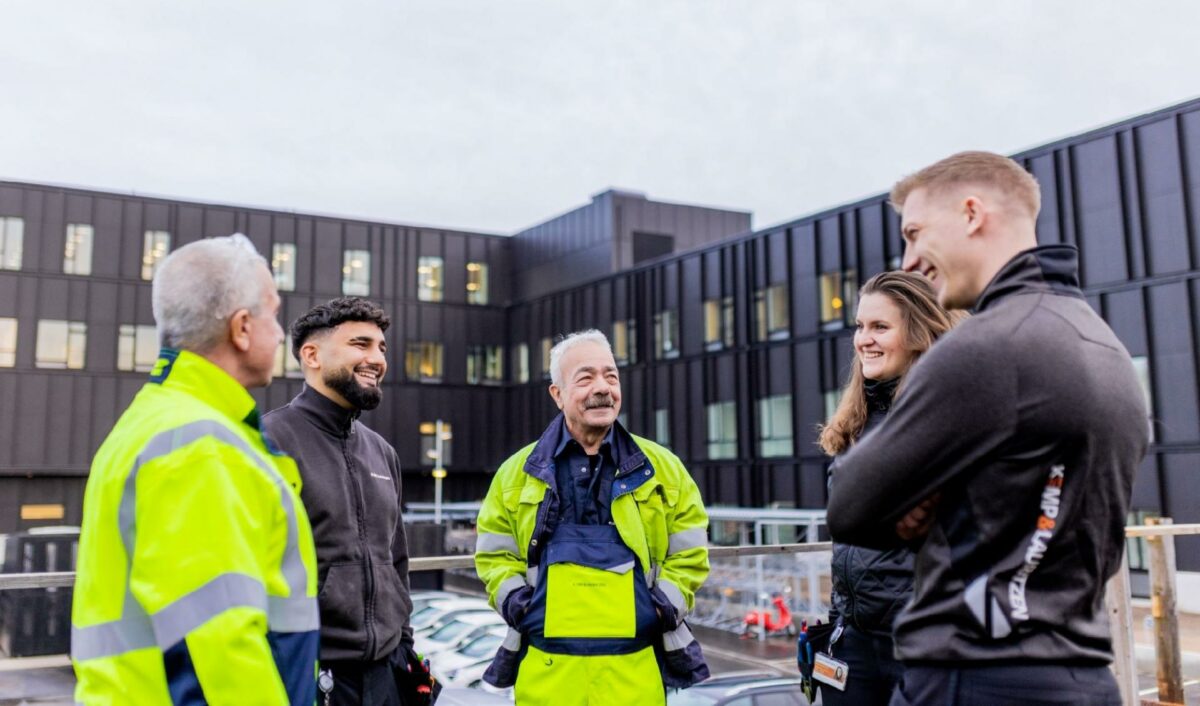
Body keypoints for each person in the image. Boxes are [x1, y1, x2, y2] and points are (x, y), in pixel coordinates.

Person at [827, 151, 1150, 705]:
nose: (910, 261)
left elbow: (852, 505)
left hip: (976, 680)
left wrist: (925, 500)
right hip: (1081, 677)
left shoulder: (987, 348)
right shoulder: (1103, 346)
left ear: (972, 214)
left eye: (915, 232)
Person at [71, 234, 320, 705]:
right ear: (242, 327)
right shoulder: (200, 445)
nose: (281, 333)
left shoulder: (156, 421)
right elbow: (216, 651)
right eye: (273, 313)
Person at [474, 330, 710, 705]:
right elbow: (493, 558)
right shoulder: (515, 473)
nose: (603, 388)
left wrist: (661, 608)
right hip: (546, 675)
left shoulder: (664, 469)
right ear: (557, 394)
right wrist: (521, 607)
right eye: (585, 378)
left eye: (611, 376)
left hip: (636, 674)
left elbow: (690, 553)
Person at [263, 297, 426, 706]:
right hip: (309, 675)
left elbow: (397, 562)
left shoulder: (382, 452)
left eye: (381, 348)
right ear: (312, 355)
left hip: (387, 673)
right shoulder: (267, 443)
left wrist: (405, 652)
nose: (376, 358)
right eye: (360, 344)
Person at [816, 271, 957, 704]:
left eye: (880, 327)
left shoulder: (947, 416)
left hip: (919, 644)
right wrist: (838, 621)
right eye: (860, 326)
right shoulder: (856, 423)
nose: (864, 340)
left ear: (917, 332)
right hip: (852, 642)